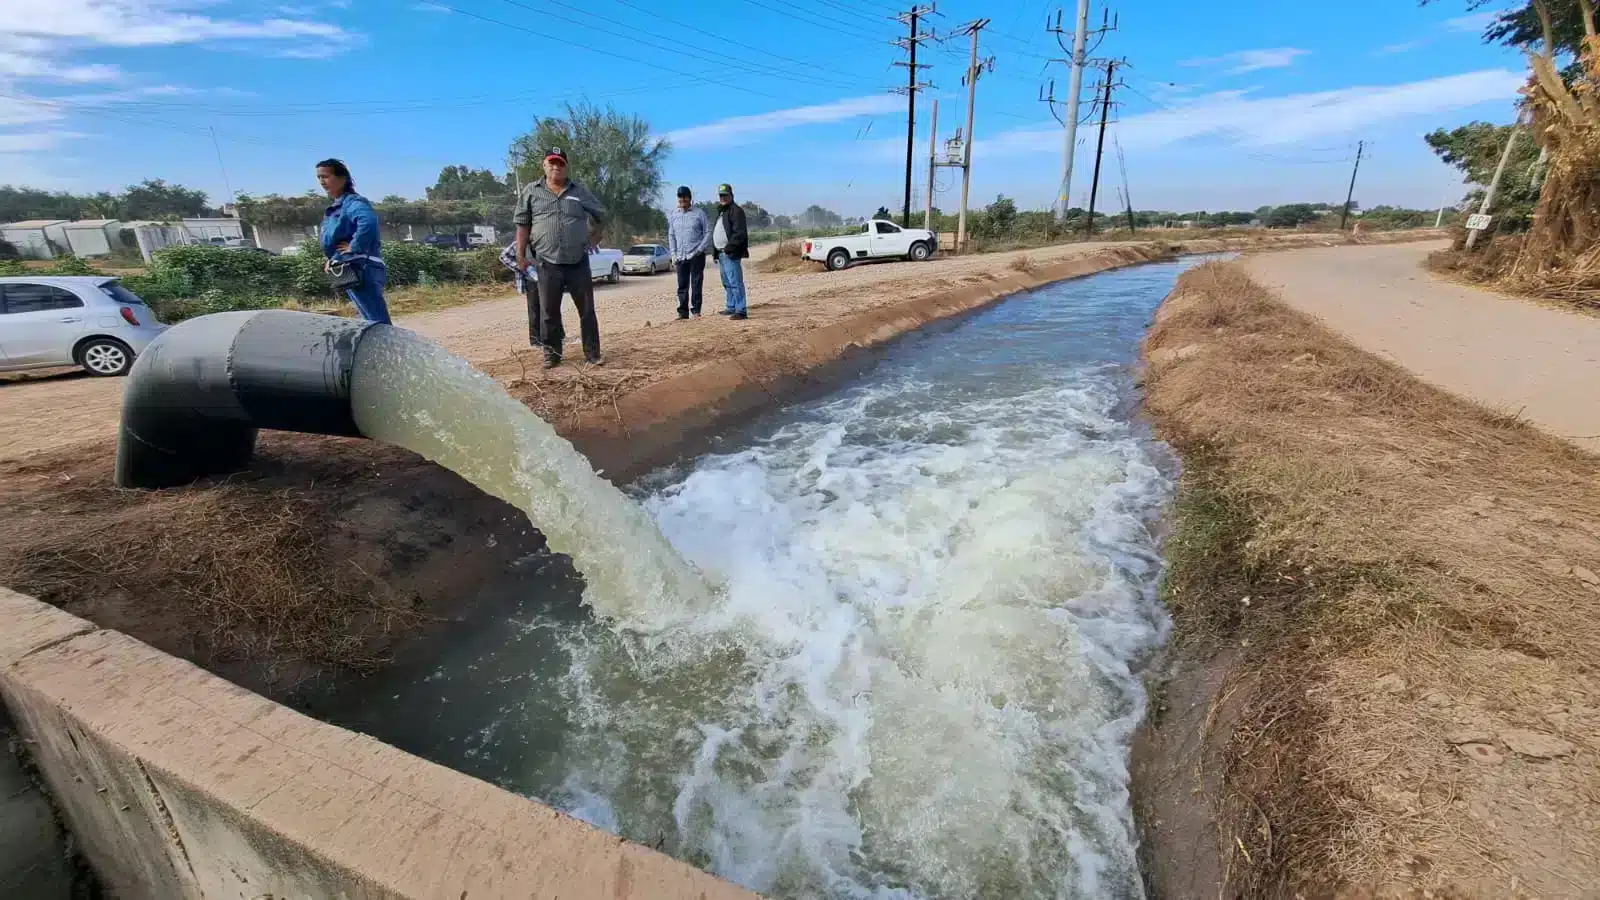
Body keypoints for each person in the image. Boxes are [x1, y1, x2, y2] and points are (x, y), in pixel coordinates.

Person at [514, 147, 608, 369]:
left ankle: (592, 354)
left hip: (577, 262)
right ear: (544, 165)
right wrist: (520, 254)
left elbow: (600, 215)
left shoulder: (579, 191)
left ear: (566, 167)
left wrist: (594, 238)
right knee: (549, 312)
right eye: (552, 163)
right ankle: (552, 354)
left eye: (560, 163)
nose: (556, 167)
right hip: (547, 262)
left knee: (586, 310)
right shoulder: (531, 192)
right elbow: (522, 224)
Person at [316, 158, 390, 325]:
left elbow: (368, 222)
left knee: (377, 321)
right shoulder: (337, 206)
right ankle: (380, 349)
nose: (322, 181)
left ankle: (391, 349)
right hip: (348, 268)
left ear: (342, 178)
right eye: (319, 177)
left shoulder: (353, 203)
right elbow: (338, 238)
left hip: (362, 267)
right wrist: (333, 259)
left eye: (326, 176)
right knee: (370, 319)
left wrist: (354, 246)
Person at [666, 185, 711, 319]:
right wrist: (673, 254)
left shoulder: (699, 213)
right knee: (682, 285)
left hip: (696, 254)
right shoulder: (674, 215)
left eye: (685, 196)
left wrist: (700, 249)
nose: (682, 199)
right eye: (680, 197)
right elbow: (671, 235)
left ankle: (696, 310)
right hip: (680, 256)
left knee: (696, 283)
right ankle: (682, 312)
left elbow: (708, 232)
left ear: (690, 198)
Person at [711, 183, 749, 320]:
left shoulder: (736, 211)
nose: (723, 198)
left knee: (735, 282)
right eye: (721, 195)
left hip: (730, 254)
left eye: (725, 195)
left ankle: (741, 310)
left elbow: (740, 234)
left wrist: (728, 248)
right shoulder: (722, 211)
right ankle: (731, 306)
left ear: (731, 195)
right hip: (721, 254)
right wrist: (716, 252)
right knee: (727, 282)